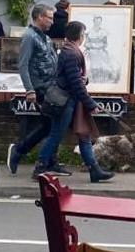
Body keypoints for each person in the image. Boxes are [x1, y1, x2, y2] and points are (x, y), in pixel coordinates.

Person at [49, 21, 114, 182]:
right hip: (67, 101)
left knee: (84, 134)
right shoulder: (71, 53)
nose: (84, 36)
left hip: (74, 101)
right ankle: (41, 164)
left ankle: (94, 170)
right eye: (83, 33)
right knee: (57, 135)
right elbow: (75, 83)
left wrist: (84, 82)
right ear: (79, 35)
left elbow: (77, 79)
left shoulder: (72, 51)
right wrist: (91, 104)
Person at [10, 3, 66, 177]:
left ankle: (49, 161)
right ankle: (20, 150)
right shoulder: (29, 37)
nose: (52, 21)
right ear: (39, 17)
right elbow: (23, 65)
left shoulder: (46, 38)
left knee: (50, 125)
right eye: (49, 17)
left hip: (51, 88)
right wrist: (30, 90)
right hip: (40, 88)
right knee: (50, 125)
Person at [84, 15, 118, 84]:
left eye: (99, 22)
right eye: (96, 22)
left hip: (101, 50)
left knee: (108, 61)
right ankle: (92, 78)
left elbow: (105, 44)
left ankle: (106, 78)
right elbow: (86, 43)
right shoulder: (89, 32)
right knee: (90, 61)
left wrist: (100, 46)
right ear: (94, 22)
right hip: (91, 51)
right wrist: (92, 46)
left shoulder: (103, 32)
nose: (98, 23)